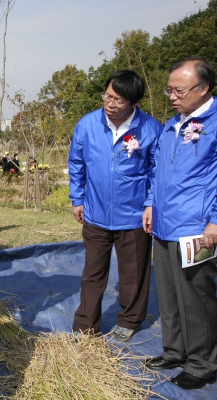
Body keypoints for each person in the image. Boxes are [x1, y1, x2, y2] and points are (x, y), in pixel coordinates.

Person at [69, 70, 162, 342]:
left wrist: (150, 205)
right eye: (107, 96)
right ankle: (85, 324)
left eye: (118, 100)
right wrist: (77, 198)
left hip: (134, 216)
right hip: (95, 212)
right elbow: (77, 163)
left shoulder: (151, 129)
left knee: (133, 273)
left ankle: (130, 319)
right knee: (92, 272)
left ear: (133, 104)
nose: (110, 104)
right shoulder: (88, 124)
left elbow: (157, 173)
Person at [143, 56, 217, 390]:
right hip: (163, 223)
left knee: (196, 296)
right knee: (170, 293)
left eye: (179, 90)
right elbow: (157, 169)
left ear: (203, 89)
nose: (172, 96)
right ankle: (174, 350)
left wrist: (215, 221)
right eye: (169, 89)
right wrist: (149, 204)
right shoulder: (173, 124)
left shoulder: (214, 124)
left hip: (195, 226)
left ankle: (202, 363)